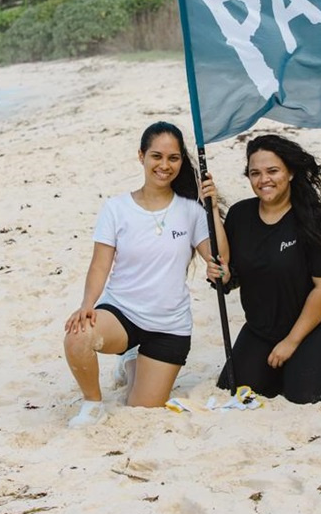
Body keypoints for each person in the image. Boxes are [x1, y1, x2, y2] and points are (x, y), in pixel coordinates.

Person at [64, 121, 225, 427]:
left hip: (169, 326)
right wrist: (88, 304)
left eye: (173, 158)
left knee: (141, 408)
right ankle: (92, 405)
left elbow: (219, 258)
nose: (165, 165)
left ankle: (131, 361)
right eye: (157, 156)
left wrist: (212, 206)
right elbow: (99, 265)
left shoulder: (192, 210)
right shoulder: (116, 208)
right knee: (78, 336)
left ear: (181, 161)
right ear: (141, 156)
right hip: (122, 313)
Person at [207, 134, 321, 405]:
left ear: (290, 173)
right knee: (236, 387)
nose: (264, 179)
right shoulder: (241, 215)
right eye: (255, 173)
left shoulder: (313, 218)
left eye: (272, 171)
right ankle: (298, 365)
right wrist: (223, 273)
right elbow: (231, 271)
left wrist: (291, 342)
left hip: (320, 326)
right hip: (263, 328)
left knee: (303, 393)